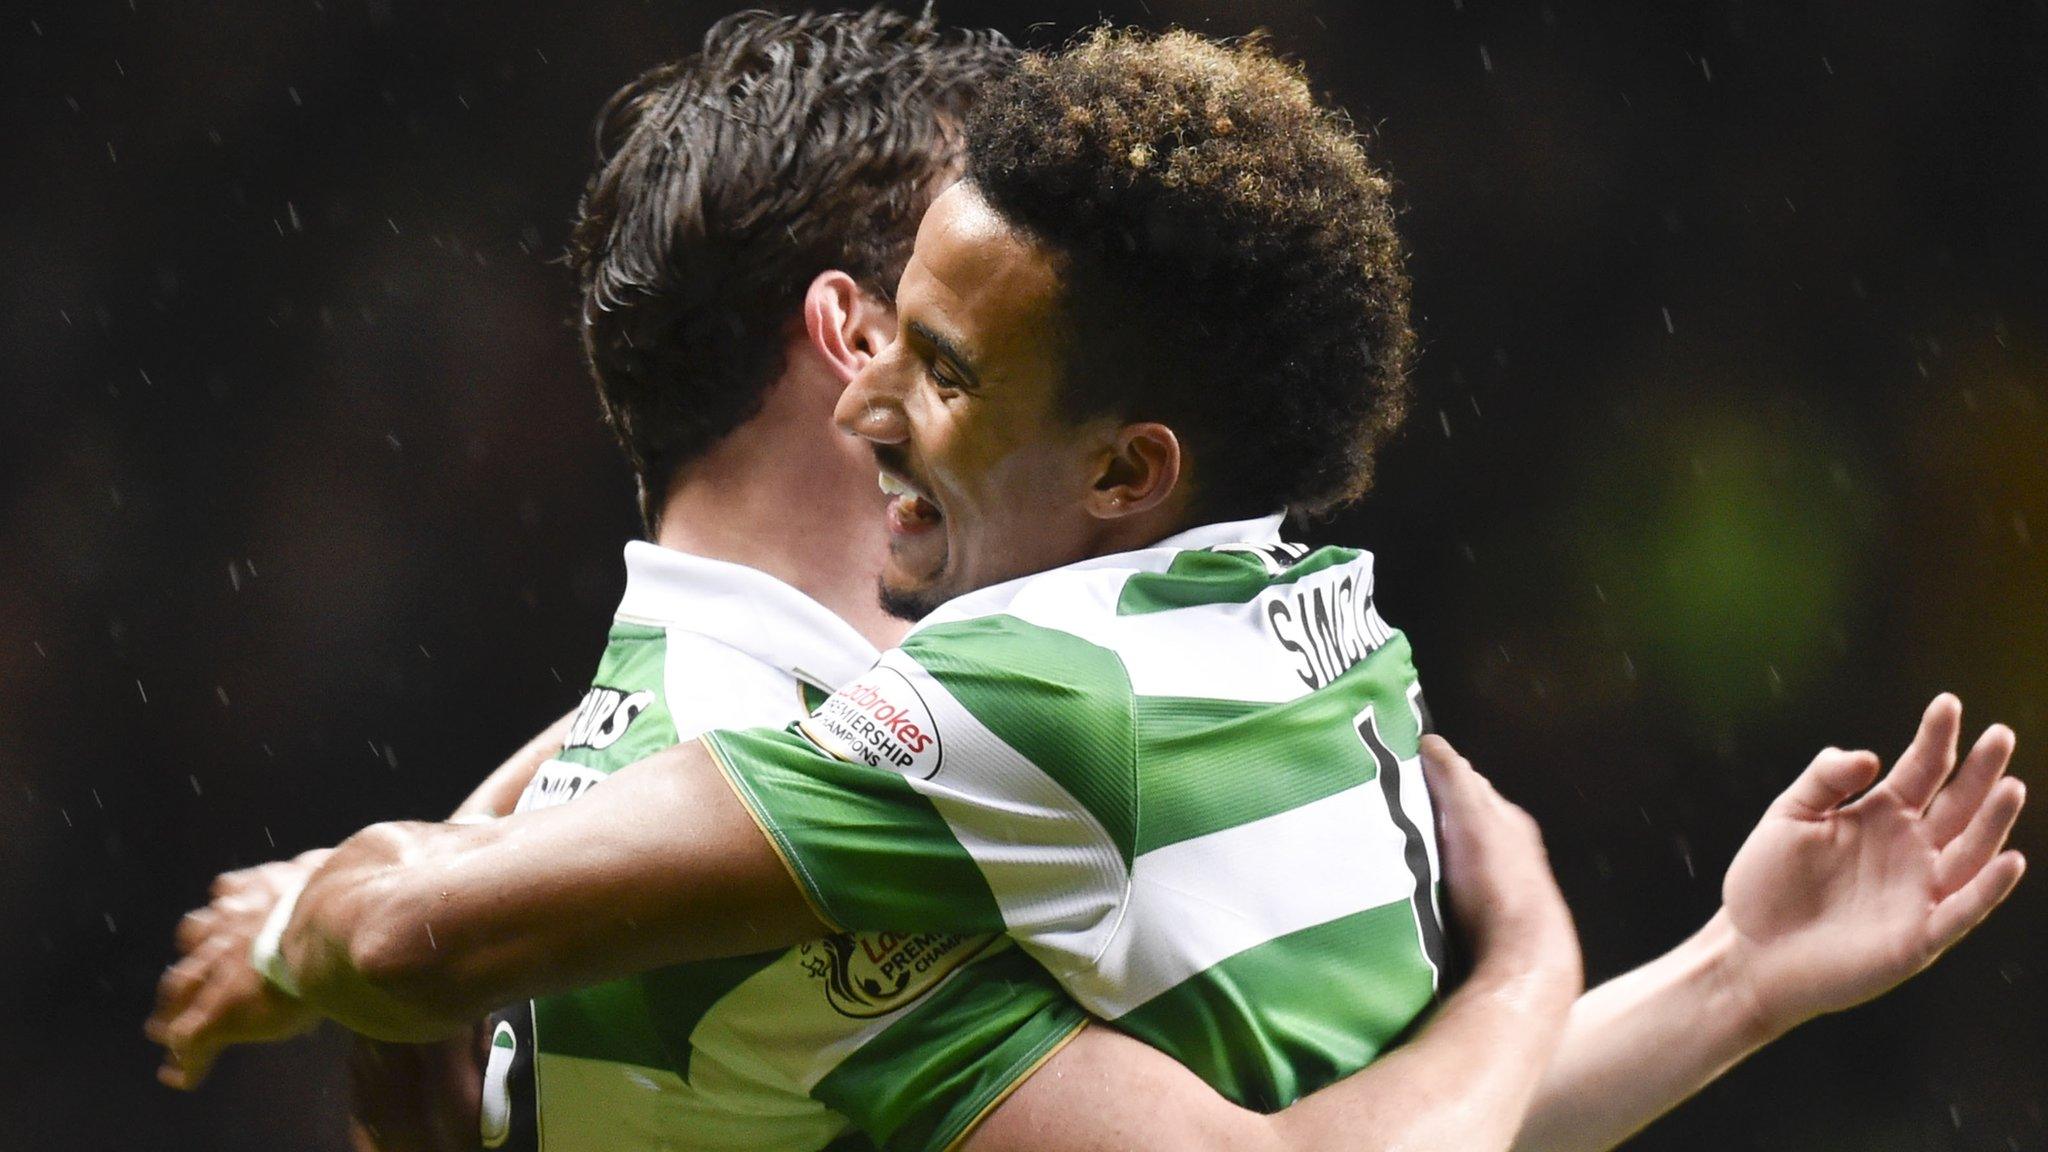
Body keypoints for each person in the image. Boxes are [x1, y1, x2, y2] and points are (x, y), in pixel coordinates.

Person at [155, 27, 2028, 1152]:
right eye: (948, 311)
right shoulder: (863, 807)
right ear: (853, 328)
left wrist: (1732, 975)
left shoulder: (657, 769)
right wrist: (1533, 952)